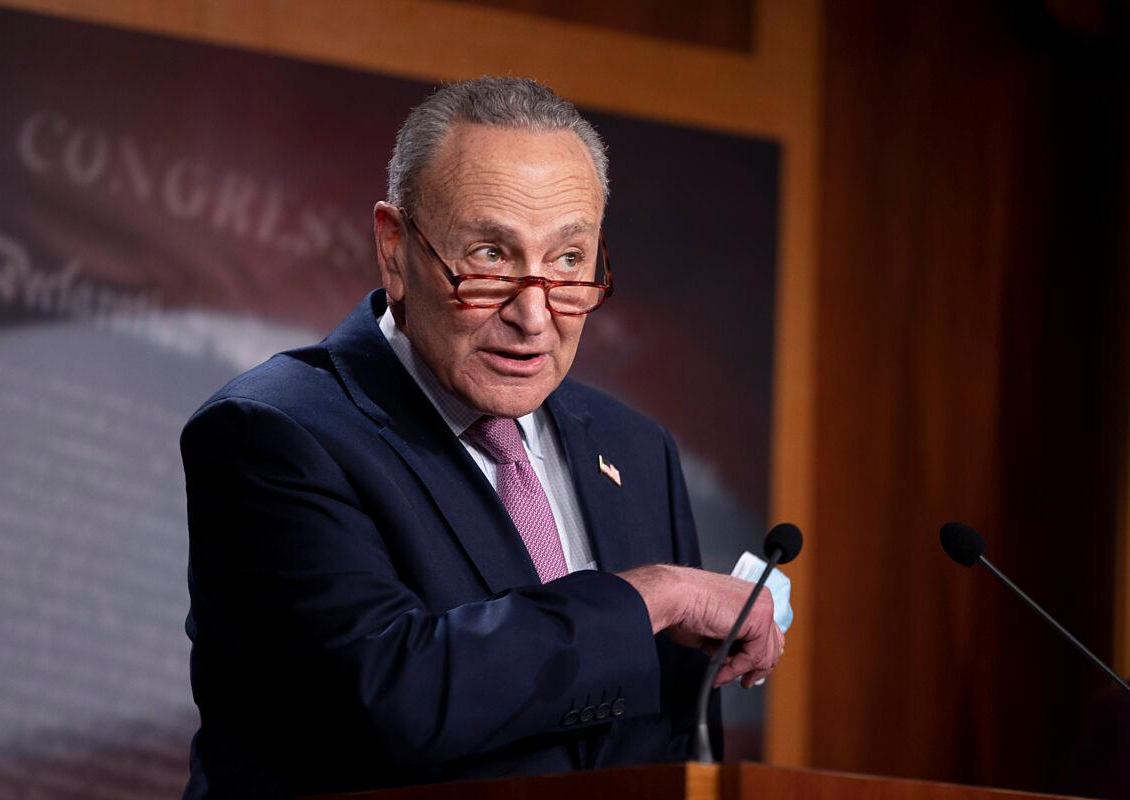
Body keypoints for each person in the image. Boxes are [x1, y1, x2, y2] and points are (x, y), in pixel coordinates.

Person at [180, 76, 785, 799]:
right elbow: (389, 697)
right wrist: (648, 596)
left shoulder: (635, 449)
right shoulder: (274, 432)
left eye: (568, 262)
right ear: (394, 248)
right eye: (491, 257)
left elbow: (678, 738)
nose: (535, 317)